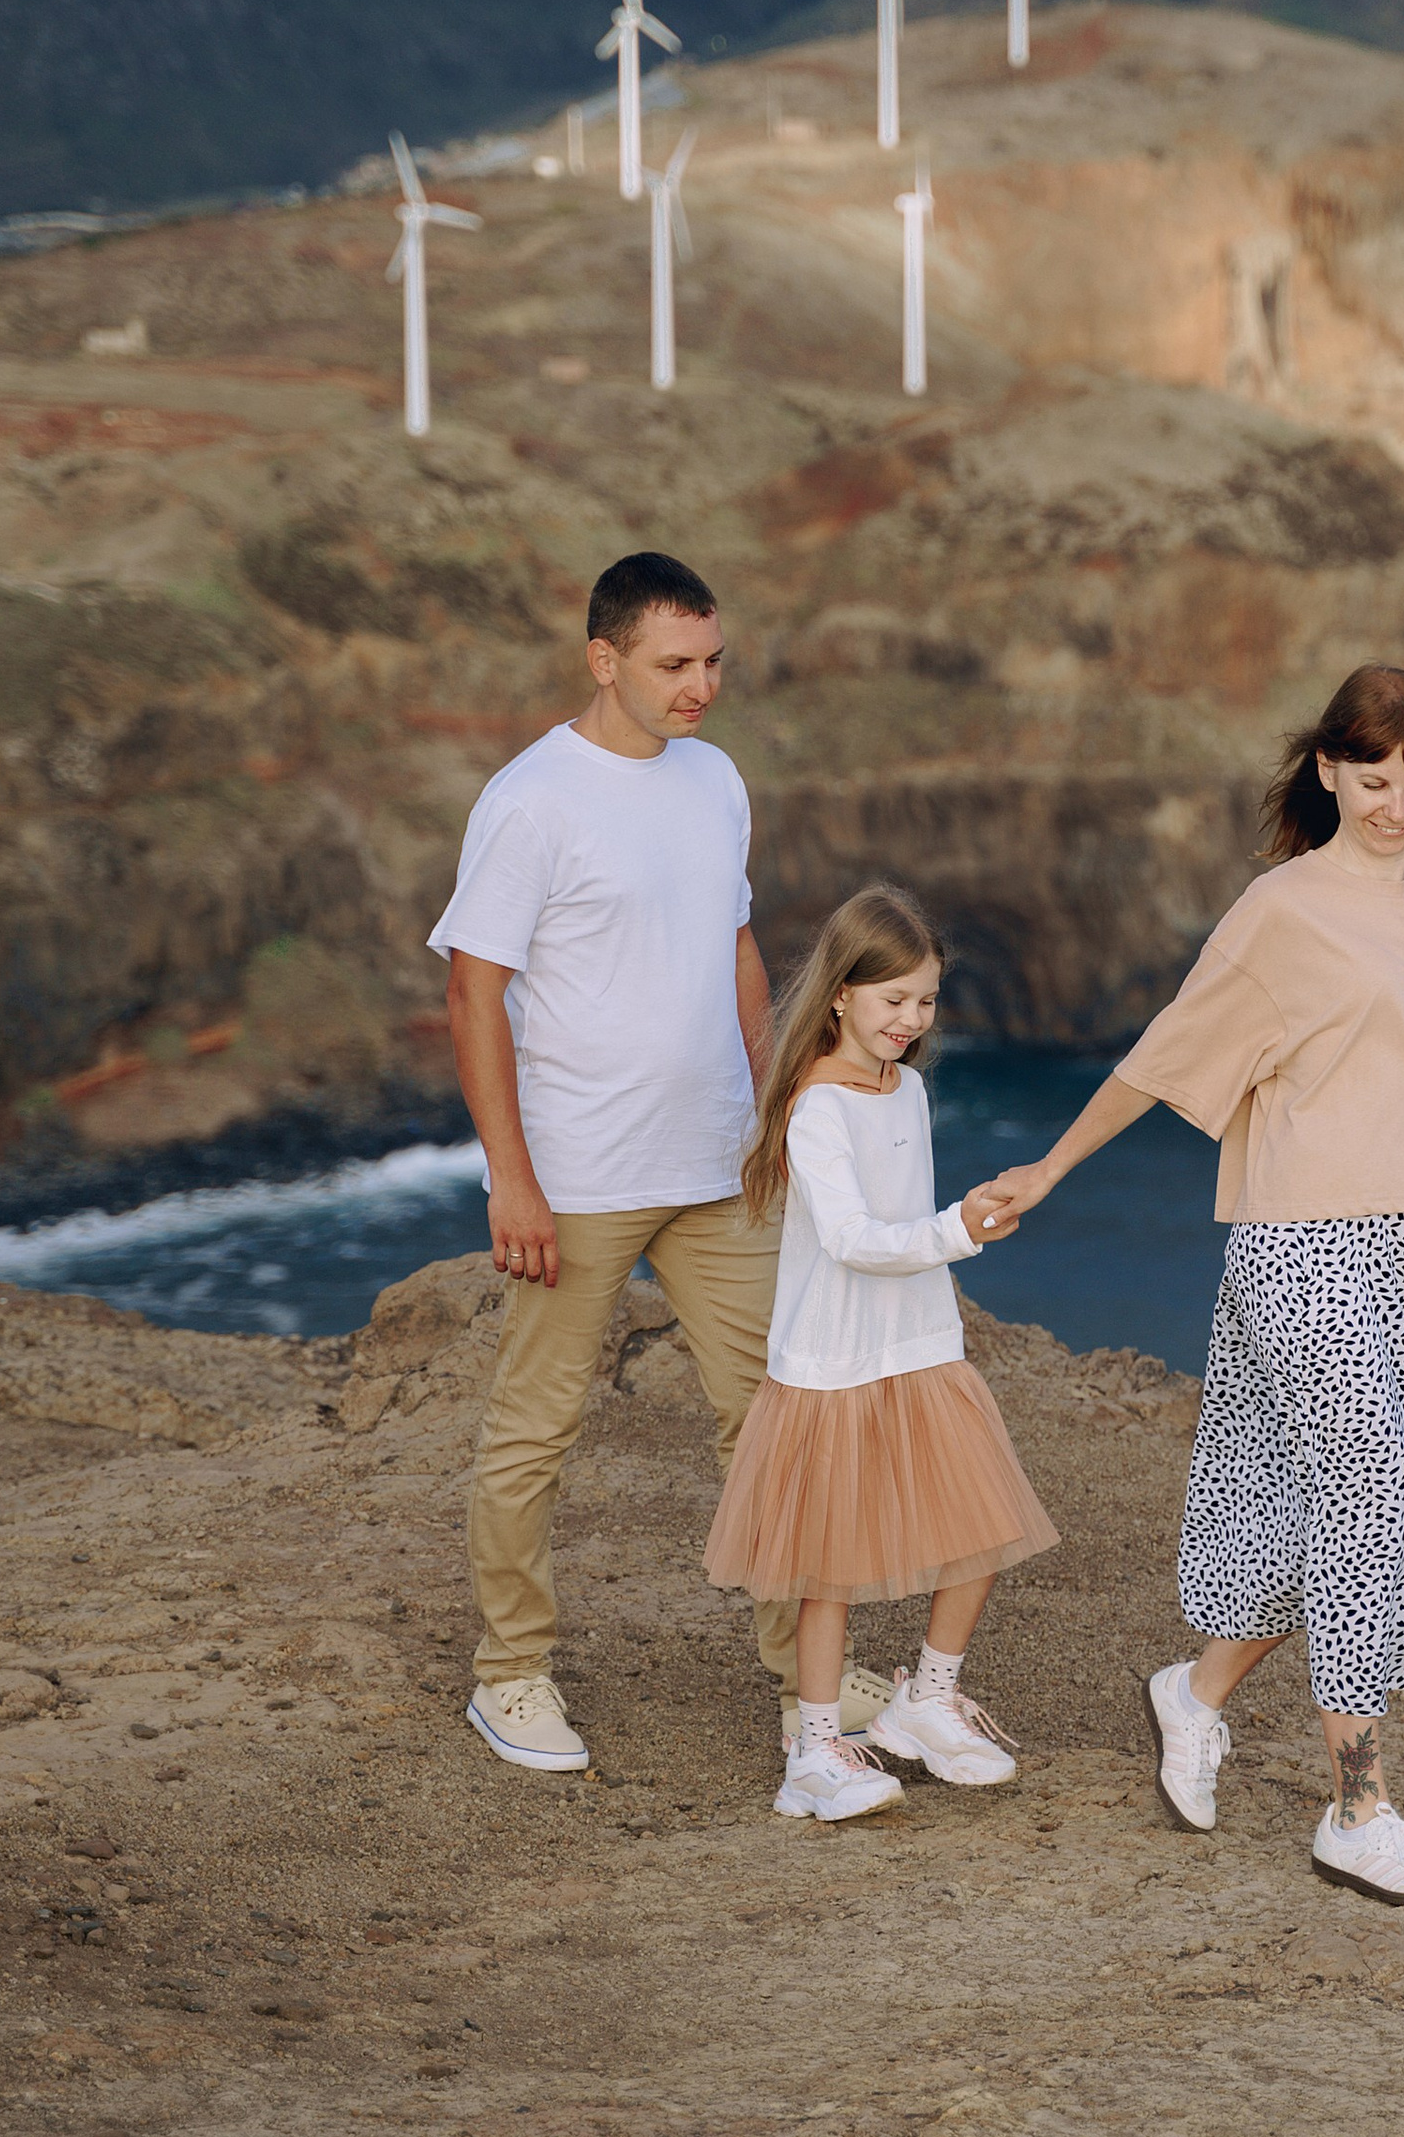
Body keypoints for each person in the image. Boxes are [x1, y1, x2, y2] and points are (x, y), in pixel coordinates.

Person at [977, 661, 1404, 1911]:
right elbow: (1164, 1056)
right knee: (1367, 1503)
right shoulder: (1279, 912)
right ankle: (1359, 1807)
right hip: (1297, 1248)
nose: (1396, 801)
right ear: (1326, 772)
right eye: (1373, 776)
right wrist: (1054, 1167)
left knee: (1336, 1514)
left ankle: (1190, 1697)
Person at [429, 550, 801, 1771]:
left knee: (771, 1421)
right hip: (579, 1177)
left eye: (712, 663)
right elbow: (474, 996)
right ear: (605, 660)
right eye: (673, 665)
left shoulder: (716, 778)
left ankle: (809, 1671)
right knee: (537, 1429)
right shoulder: (532, 798)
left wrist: (771, 1109)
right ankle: (511, 1675)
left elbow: (737, 944)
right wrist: (512, 1177)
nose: (699, 687)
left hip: (716, 1164)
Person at [704, 883, 1054, 1824]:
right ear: (839, 997)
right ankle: (814, 1751)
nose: (911, 1020)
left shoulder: (911, 1088)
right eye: (892, 999)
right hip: (831, 1364)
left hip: (920, 1348)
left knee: (981, 1526)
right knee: (832, 1566)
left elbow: (908, 1221)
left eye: (927, 1000)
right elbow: (858, 1236)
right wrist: (962, 1230)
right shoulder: (817, 1108)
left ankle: (926, 1700)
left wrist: (956, 1226)